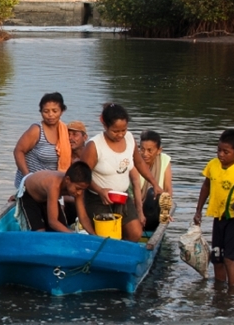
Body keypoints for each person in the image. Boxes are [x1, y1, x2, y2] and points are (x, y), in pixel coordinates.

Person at [80, 103, 163, 242]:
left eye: (123, 130)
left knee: (135, 233)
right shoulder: (94, 146)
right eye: (115, 131)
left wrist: (154, 183)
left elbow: (139, 163)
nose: (120, 135)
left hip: (122, 197)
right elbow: (82, 175)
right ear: (105, 126)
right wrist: (100, 190)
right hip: (98, 198)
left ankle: (123, 257)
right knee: (107, 236)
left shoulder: (130, 138)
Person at [193, 129, 234, 289]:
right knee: (218, 258)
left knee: (229, 258)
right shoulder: (213, 165)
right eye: (219, 150)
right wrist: (198, 210)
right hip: (218, 219)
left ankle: (232, 292)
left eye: (226, 152)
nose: (221, 154)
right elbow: (206, 186)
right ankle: (219, 290)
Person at [16, 162, 96, 235]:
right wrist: (73, 235)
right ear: (67, 180)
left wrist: (94, 235)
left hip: (46, 198)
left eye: (82, 189)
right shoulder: (54, 186)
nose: (79, 193)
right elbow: (53, 222)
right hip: (30, 195)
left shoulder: (79, 189)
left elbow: (83, 217)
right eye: (78, 188)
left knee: (62, 227)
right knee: (40, 233)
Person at [13, 92, 73, 188]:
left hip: (53, 185)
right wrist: (27, 176)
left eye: (55, 111)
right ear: (41, 112)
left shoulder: (64, 131)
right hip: (33, 185)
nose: (50, 115)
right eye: (46, 111)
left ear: (62, 111)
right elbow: (18, 151)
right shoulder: (36, 130)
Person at [138, 130, 173, 231]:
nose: (145, 154)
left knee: (152, 193)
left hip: (155, 206)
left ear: (159, 150)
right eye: (142, 149)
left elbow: (168, 188)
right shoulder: (135, 161)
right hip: (137, 205)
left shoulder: (165, 160)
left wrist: (166, 211)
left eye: (150, 150)